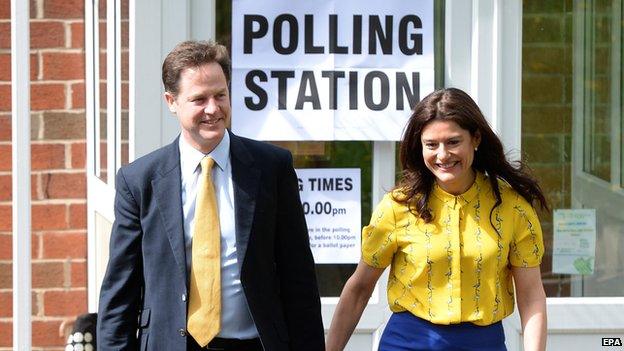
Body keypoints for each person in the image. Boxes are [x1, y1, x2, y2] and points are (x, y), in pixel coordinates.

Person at [97, 40, 324, 351]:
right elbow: (120, 291)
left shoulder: (271, 168)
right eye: (199, 99)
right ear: (171, 101)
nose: (213, 109)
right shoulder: (139, 181)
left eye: (220, 95)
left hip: (254, 344)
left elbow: (298, 278)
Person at [326, 88, 548, 351]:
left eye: (453, 142)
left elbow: (531, 295)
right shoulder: (398, 206)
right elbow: (359, 288)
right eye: (431, 145)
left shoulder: (512, 207)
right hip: (407, 343)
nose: (442, 155)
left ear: (475, 138)